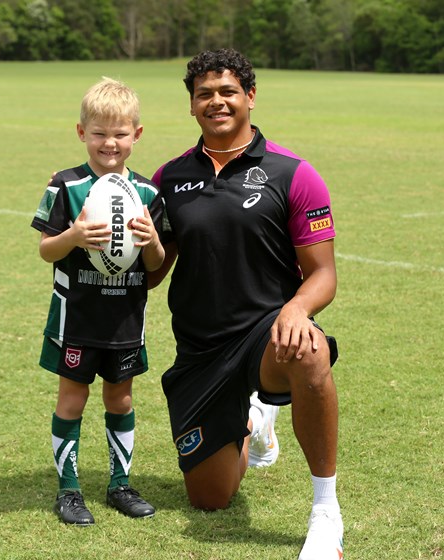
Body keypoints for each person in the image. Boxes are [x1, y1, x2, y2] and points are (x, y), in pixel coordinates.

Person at [149, 49, 343, 559]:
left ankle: (326, 513)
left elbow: (323, 274)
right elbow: (151, 274)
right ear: (191, 106)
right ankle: (255, 423)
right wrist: (118, 243)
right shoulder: (167, 179)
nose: (217, 102)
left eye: (228, 91)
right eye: (204, 94)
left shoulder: (293, 174)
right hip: (200, 351)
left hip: (267, 333)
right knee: (210, 500)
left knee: (310, 351)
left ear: (250, 97)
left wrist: (297, 310)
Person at [31, 77, 165, 526]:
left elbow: (155, 263)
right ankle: (69, 491)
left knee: (121, 400)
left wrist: (150, 241)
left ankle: (119, 485)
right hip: (76, 318)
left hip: (125, 318)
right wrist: (72, 236)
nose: (110, 143)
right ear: (81, 133)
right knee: (72, 399)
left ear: (137, 135)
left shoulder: (148, 193)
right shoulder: (65, 186)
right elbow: (46, 249)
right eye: (99, 133)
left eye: (120, 133)